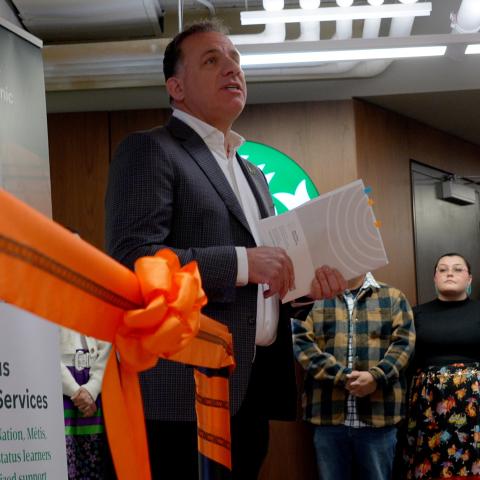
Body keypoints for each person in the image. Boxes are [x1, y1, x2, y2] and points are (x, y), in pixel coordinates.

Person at [104, 18, 346, 480]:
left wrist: (305, 289)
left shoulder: (252, 173)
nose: (231, 69)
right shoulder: (150, 150)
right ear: (175, 86)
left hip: (250, 391)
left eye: (234, 59)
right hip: (180, 392)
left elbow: (265, 285)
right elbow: (132, 261)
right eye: (211, 60)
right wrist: (241, 262)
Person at [292, 271, 415, 480]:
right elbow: (302, 344)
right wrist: (342, 376)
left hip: (379, 419)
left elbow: (404, 345)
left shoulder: (393, 296)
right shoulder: (315, 298)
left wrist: (376, 377)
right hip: (327, 419)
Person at [403, 253, 480, 479]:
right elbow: (406, 360)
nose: (449, 273)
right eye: (443, 269)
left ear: (470, 279)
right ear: (434, 278)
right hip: (428, 404)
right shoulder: (415, 314)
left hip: (474, 405)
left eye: (458, 269)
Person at [60, 326, 115, 479]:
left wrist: (92, 388)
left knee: (93, 466)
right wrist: (75, 390)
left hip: (94, 390)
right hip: (61, 387)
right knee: (61, 465)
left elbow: (109, 344)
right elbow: (42, 347)